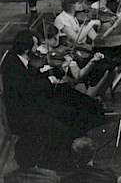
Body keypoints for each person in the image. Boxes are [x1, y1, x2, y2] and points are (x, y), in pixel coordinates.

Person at [2, 30, 103, 167]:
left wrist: (57, 70)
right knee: (62, 126)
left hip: (31, 105)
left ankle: (75, 154)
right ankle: (59, 162)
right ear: (26, 50)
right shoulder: (12, 67)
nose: (38, 49)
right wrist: (49, 80)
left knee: (70, 110)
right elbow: (27, 90)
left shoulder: (19, 59)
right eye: (36, 45)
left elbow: (32, 77)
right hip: (22, 115)